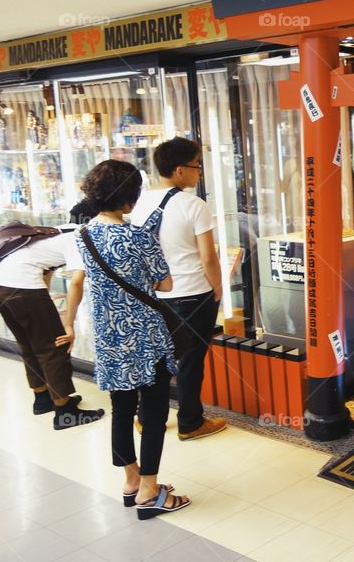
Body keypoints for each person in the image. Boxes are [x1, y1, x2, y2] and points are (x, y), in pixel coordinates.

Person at [68, 160, 190, 518]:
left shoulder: (84, 235)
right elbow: (165, 284)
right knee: (153, 414)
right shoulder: (137, 236)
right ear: (129, 197)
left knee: (122, 412)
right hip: (145, 336)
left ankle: (131, 481)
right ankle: (150, 493)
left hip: (109, 337)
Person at [129, 137, 225, 441]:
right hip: (193, 294)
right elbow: (208, 257)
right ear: (180, 169)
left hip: (154, 295)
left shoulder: (138, 202)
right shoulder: (194, 205)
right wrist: (219, 288)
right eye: (197, 166)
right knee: (190, 360)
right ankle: (190, 422)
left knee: (158, 359)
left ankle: (146, 418)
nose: (199, 172)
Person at [0, 201, 105, 430]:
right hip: (20, 286)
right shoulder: (81, 237)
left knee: (29, 343)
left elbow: (45, 268)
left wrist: (45, 302)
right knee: (54, 346)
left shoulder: (57, 230)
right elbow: (77, 283)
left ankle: (43, 399)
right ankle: (65, 412)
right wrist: (68, 324)